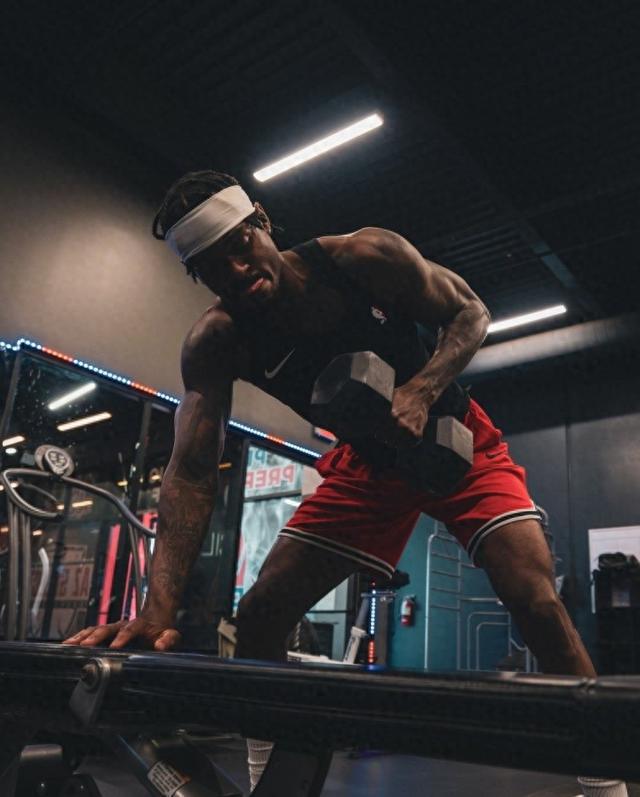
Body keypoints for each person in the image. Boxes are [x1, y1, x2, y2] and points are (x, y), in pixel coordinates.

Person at [64, 171, 624, 797]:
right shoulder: (217, 342)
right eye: (213, 267)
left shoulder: (364, 257)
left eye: (240, 244)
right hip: (368, 468)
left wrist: (422, 390)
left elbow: (471, 312)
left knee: (536, 599)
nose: (237, 270)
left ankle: (605, 784)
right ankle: (270, 779)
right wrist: (159, 609)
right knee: (261, 615)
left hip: (457, 440)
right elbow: (192, 471)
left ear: (262, 222)